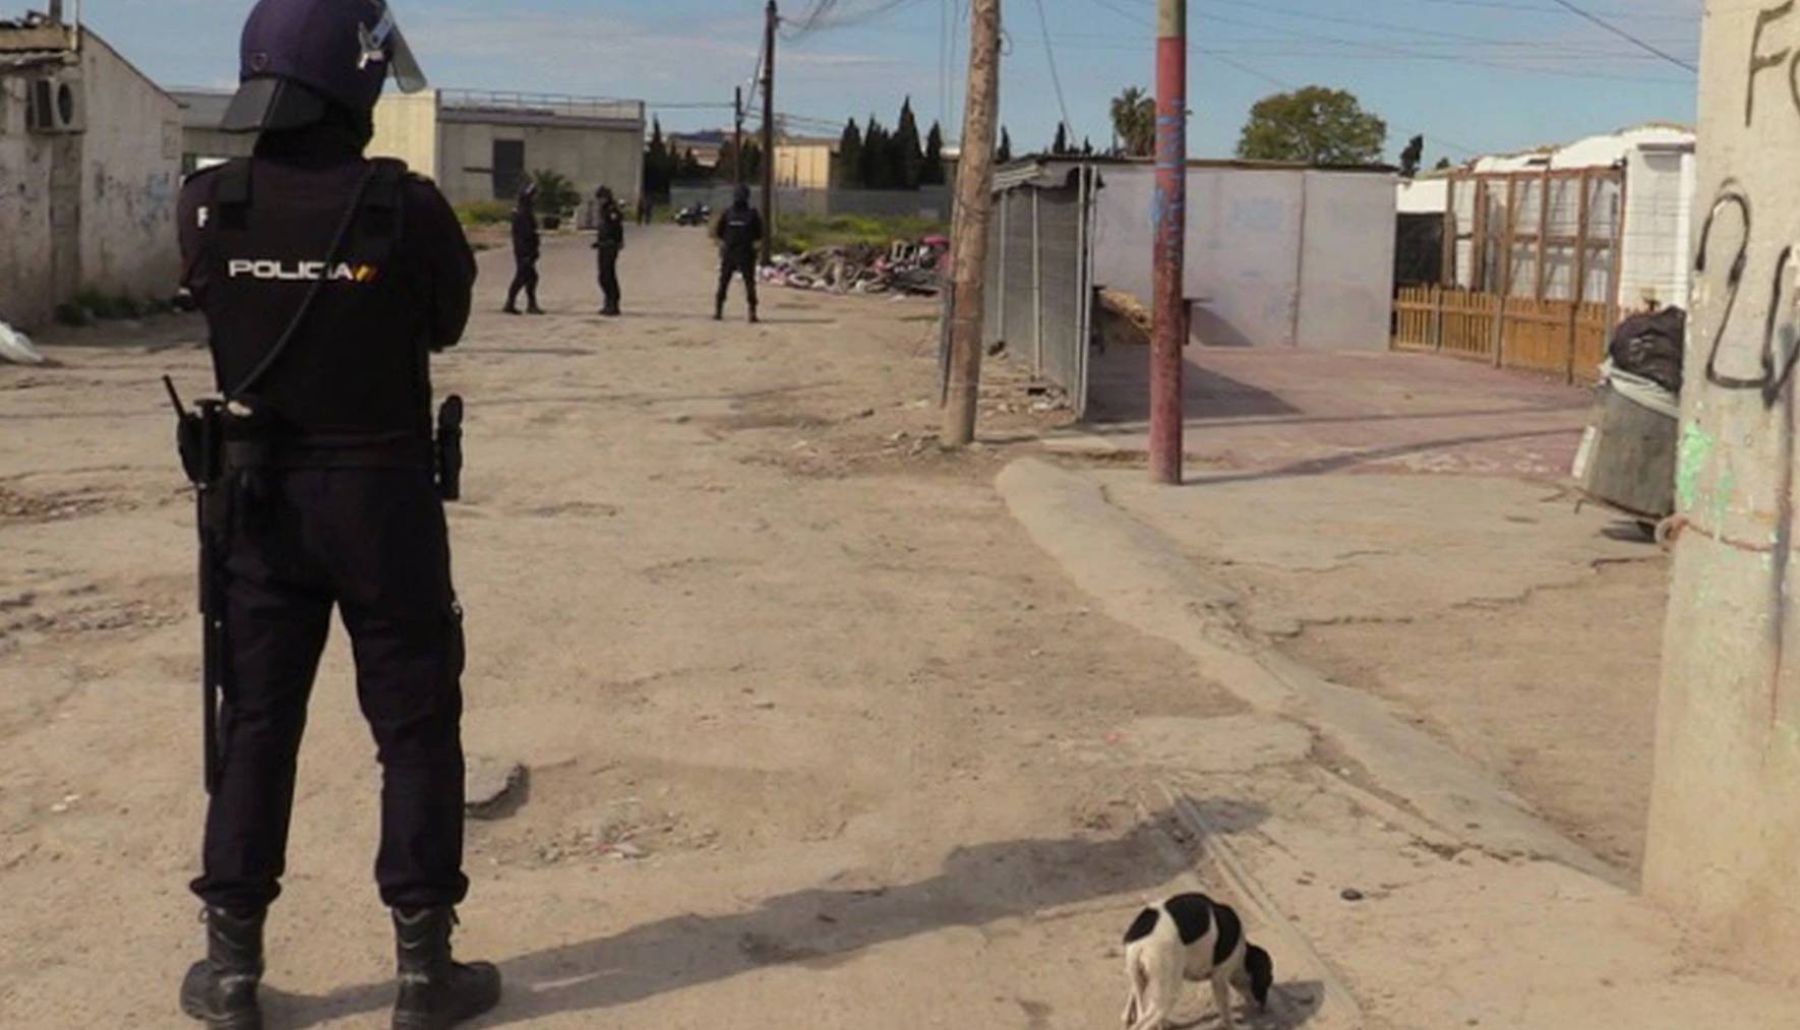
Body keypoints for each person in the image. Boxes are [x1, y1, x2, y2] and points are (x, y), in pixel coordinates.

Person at [172, 1, 500, 1027]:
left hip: (259, 499)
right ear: (356, 78)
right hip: (383, 495)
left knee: (258, 721)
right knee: (414, 725)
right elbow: (443, 321)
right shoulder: (406, 208)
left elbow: (204, 302)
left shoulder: (206, 202)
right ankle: (422, 972)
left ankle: (230, 972)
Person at [714, 184, 763, 323]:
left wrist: (725, 243)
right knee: (748, 283)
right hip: (744, 252)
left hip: (732, 252)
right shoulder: (752, 214)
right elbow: (759, 235)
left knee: (725, 281)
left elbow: (719, 232)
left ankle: (719, 311)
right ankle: (751, 312)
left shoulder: (728, 213)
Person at [504, 181, 544, 315]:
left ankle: (529, 304)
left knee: (530, 277)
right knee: (523, 277)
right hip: (524, 252)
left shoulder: (525, 212)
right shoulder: (522, 213)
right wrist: (527, 253)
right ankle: (511, 304)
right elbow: (524, 235)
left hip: (527, 251)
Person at [593, 185, 625, 317]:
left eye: (601, 198)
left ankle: (613, 303)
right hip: (603, 246)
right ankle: (608, 301)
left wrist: (617, 242)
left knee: (608, 275)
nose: (599, 201)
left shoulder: (612, 210)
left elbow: (616, 228)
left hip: (610, 246)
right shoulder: (604, 209)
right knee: (603, 276)